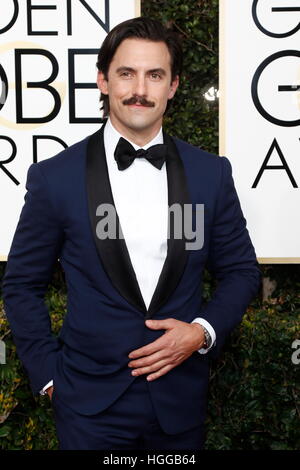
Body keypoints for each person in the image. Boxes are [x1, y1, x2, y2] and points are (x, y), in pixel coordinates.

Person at [2, 17, 261, 450]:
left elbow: (241, 272)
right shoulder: (55, 178)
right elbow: (22, 285)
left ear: (173, 86)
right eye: (126, 73)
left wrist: (202, 331)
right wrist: (49, 377)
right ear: (103, 80)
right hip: (87, 409)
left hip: (178, 407)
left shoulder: (209, 175)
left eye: (154, 75)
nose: (140, 88)